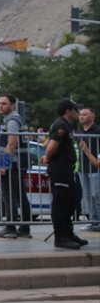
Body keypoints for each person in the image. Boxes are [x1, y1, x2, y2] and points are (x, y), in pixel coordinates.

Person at [43, 98, 84, 250]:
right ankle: (60, 237)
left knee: (70, 202)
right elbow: (50, 147)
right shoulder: (61, 125)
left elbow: (46, 143)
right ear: (69, 111)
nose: (78, 112)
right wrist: (48, 157)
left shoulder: (64, 125)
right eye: (75, 109)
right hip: (60, 170)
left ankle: (69, 233)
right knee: (61, 204)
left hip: (66, 169)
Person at [0, 93, 32, 239]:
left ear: (12, 105)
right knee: (20, 196)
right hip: (18, 163)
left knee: (8, 196)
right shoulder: (13, 119)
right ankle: (24, 228)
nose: (0, 106)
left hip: (13, 164)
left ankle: (10, 228)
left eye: (4, 103)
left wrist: (3, 163)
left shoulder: (12, 121)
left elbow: (12, 143)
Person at [76, 106, 100, 232]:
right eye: (80, 114)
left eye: (85, 114)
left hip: (95, 169)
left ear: (92, 116)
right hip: (83, 168)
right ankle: (94, 221)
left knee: (97, 194)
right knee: (87, 196)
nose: (81, 116)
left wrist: (86, 150)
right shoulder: (80, 133)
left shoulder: (97, 131)